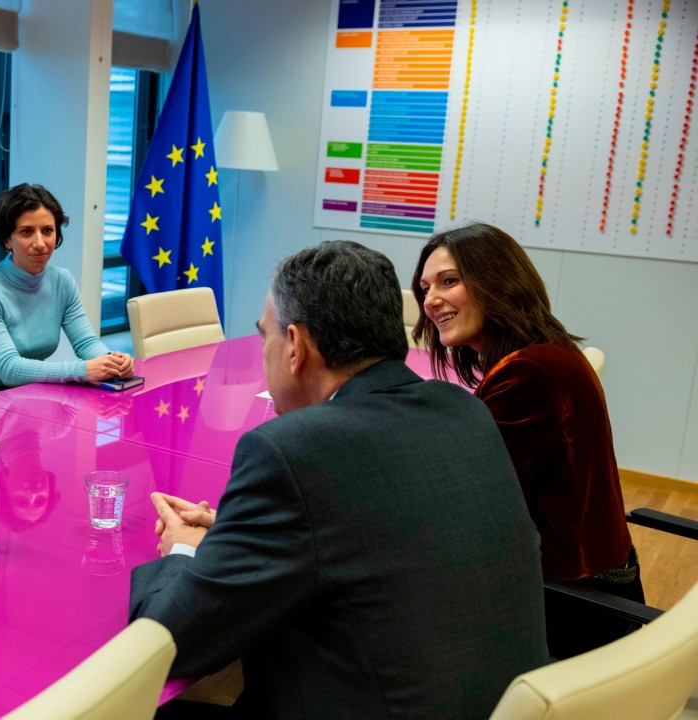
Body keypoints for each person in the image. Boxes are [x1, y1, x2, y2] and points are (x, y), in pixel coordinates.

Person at [130, 241, 548, 719]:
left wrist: (184, 551)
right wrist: (236, 535)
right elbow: (371, 528)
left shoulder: (291, 450)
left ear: (295, 346)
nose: (264, 351)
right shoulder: (465, 410)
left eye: (265, 337)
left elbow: (169, 643)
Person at [413, 222, 642, 658]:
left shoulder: (528, 373)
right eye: (425, 288)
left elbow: (460, 497)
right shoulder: (547, 350)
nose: (430, 300)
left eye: (448, 281)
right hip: (592, 583)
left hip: (573, 607)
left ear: (497, 281)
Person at [0, 183, 133, 401]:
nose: (40, 243)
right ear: (6, 240)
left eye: (47, 231)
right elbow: (8, 368)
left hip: (33, 391)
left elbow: (86, 343)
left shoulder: (62, 281)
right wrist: (83, 370)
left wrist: (111, 361)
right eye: (26, 232)